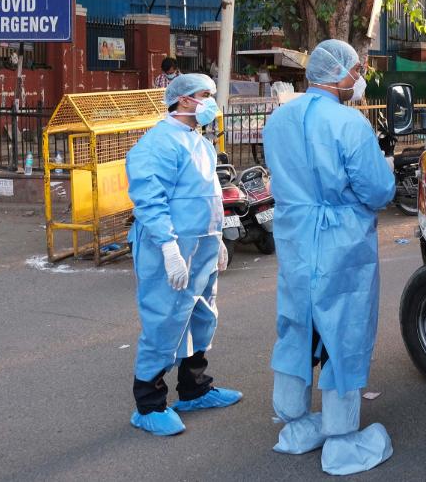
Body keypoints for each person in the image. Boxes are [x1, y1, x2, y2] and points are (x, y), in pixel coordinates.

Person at [263, 40, 395, 475]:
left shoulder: (277, 121)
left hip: (296, 238)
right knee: (344, 333)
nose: (358, 79)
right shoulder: (349, 124)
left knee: (297, 326)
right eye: (356, 70)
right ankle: (341, 440)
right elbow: (377, 191)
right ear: (339, 73)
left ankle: (296, 425)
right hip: (342, 242)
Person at [125, 73, 241, 436]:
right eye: (206, 95)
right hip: (171, 249)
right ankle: (148, 403)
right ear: (186, 100)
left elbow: (208, 196)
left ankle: (194, 388)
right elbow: (149, 198)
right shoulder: (158, 143)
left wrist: (217, 238)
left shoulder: (199, 142)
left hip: (202, 247)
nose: (211, 102)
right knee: (164, 320)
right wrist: (169, 248)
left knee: (201, 316)